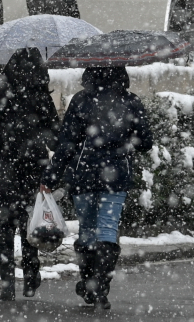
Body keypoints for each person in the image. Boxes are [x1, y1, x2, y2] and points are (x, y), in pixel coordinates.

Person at [40, 66, 153, 310]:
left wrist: (51, 177)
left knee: (87, 229)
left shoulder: (81, 100)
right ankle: (102, 284)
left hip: (84, 175)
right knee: (108, 229)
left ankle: (88, 282)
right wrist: (127, 137)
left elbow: (67, 143)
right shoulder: (130, 101)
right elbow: (146, 142)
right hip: (116, 176)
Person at [0, 47, 59, 301]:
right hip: (32, 169)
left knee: (6, 227)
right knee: (30, 222)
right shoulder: (41, 99)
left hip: (0, 171)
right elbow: (55, 140)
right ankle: (31, 274)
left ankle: (7, 283)